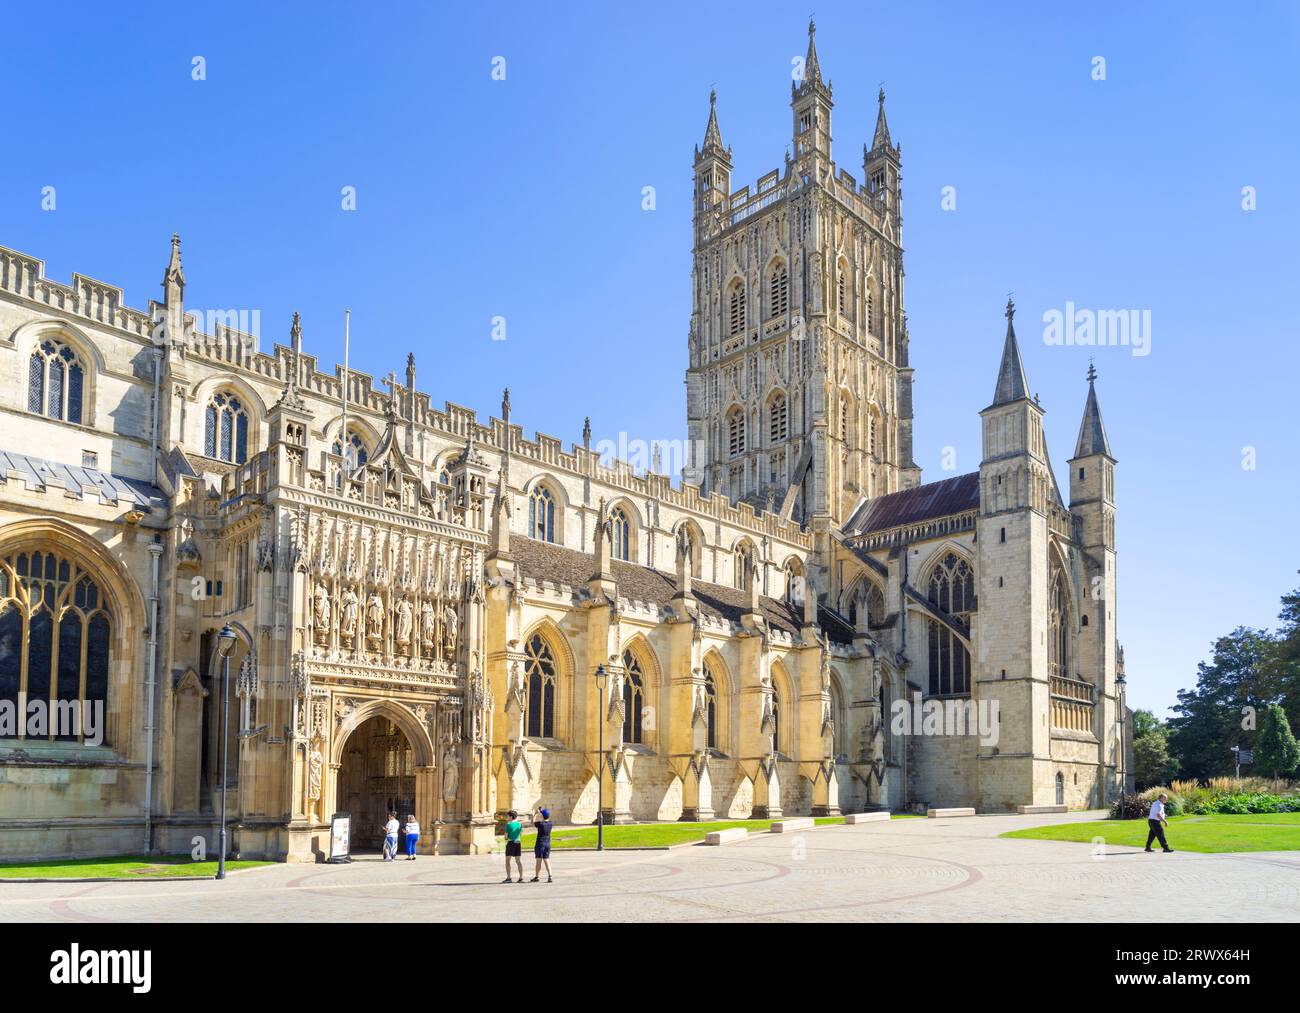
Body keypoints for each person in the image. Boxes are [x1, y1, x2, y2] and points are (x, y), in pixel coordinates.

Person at [530, 806, 554, 883]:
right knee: (546, 860)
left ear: (542, 816)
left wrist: (536, 814)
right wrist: (542, 812)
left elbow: (532, 822)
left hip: (540, 844)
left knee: (538, 861)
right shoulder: (550, 823)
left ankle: (537, 876)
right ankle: (550, 876)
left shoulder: (540, 824)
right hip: (547, 843)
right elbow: (546, 818)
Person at [502, 810, 524, 883]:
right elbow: (521, 833)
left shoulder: (508, 825)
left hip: (511, 842)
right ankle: (521, 877)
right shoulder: (520, 824)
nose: (507, 817)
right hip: (518, 842)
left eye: (508, 816)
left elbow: (506, 836)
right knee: (518, 861)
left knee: (508, 861)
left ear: (511, 817)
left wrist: (506, 837)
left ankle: (509, 878)